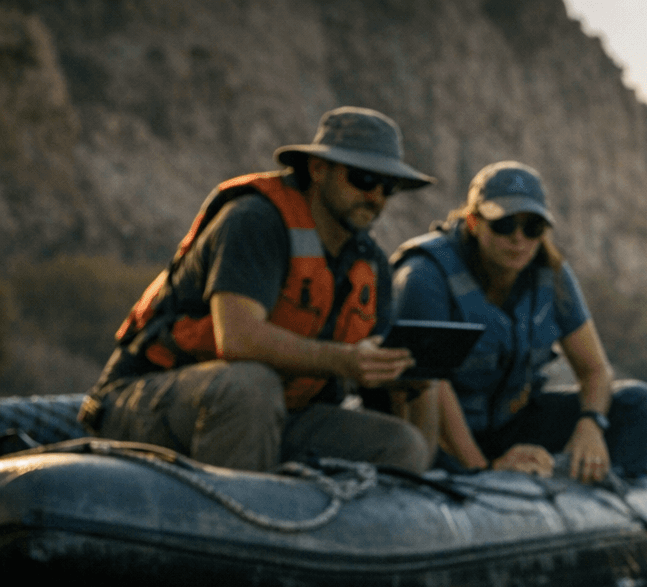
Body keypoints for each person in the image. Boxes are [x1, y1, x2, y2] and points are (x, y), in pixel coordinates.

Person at [80, 107, 437, 474]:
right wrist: (346, 360)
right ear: (318, 170)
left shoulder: (372, 265)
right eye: (363, 179)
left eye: (388, 187)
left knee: (400, 445)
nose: (375, 196)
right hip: (149, 399)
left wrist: (404, 376)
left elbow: (370, 376)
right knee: (252, 387)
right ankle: (231, 522)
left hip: (277, 414)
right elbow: (237, 340)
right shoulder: (255, 221)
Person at [390, 161, 647, 481]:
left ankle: (576, 483)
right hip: (444, 432)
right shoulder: (425, 274)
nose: (519, 239)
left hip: (512, 422)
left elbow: (595, 370)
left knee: (639, 404)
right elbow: (431, 387)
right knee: (431, 430)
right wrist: (484, 472)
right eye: (504, 225)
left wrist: (591, 424)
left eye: (532, 228)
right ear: (474, 222)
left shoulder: (553, 272)